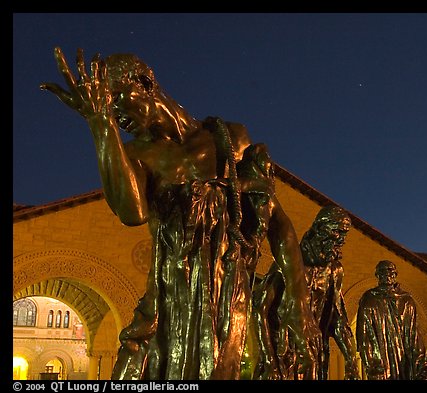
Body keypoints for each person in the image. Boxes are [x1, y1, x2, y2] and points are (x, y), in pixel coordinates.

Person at [40, 47, 321, 380]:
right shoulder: (136, 153)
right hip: (166, 294)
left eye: (115, 100)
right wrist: (100, 124)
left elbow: (277, 222)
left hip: (224, 296)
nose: (115, 114)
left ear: (144, 82)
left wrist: (298, 297)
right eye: (107, 108)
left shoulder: (228, 138)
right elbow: (132, 213)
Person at [252, 206, 359, 380]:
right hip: (283, 358)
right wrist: (269, 359)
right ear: (319, 229)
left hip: (313, 359)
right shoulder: (290, 262)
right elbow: (260, 308)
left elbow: (338, 319)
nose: (341, 241)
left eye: (344, 235)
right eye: (337, 233)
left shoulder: (334, 270)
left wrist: (351, 361)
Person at [356, 260, 427, 380]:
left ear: (395, 274)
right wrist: (371, 363)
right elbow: (363, 334)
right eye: (383, 271)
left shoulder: (407, 300)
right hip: (381, 358)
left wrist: (421, 363)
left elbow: (415, 334)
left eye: (390, 271)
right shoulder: (369, 299)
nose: (387, 274)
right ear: (377, 275)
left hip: (404, 357)